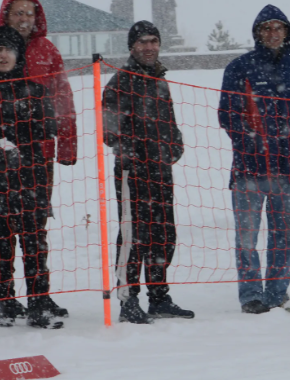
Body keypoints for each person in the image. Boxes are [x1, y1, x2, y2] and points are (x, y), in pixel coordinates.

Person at [0, 0, 75, 321]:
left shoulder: (37, 87)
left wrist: (64, 144)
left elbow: (57, 111)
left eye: (9, 49)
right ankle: (6, 302)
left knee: (34, 238)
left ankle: (39, 298)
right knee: (0, 241)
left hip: (32, 173)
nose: (3, 54)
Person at [217, 5, 290, 313]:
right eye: (267, 29)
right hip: (249, 170)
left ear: (286, 33)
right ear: (258, 33)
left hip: (287, 170)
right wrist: (251, 143)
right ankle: (251, 295)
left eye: (278, 28)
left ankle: (277, 292)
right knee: (247, 237)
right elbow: (228, 114)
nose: (273, 34)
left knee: (284, 237)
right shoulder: (239, 67)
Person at [102, 20, 192, 323]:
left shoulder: (159, 81)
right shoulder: (119, 83)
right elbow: (109, 134)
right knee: (133, 235)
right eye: (143, 42)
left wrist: (173, 148)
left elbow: (170, 125)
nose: (149, 46)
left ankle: (159, 296)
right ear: (132, 47)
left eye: (154, 41)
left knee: (163, 234)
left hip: (161, 170)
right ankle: (128, 299)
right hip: (132, 172)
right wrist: (135, 152)